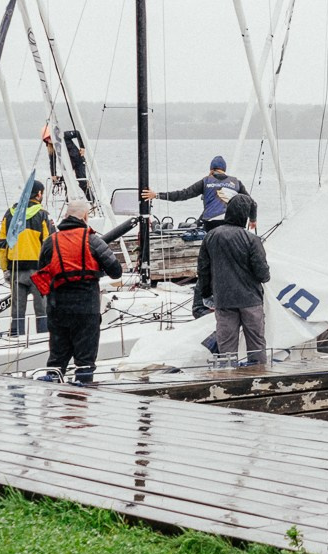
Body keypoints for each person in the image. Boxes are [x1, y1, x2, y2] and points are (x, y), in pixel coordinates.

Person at [33, 197, 123, 384]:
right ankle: (82, 391)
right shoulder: (93, 241)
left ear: (65, 217)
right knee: (85, 360)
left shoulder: (51, 242)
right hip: (86, 307)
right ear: (85, 217)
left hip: (58, 307)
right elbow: (116, 272)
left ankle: (53, 389)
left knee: (57, 356)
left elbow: (42, 268)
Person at [145, 154, 247, 317]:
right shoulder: (235, 182)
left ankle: (200, 305)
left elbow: (184, 194)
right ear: (225, 170)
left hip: (212, 227)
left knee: (208, 264)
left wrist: (157, 195)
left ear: (211, 170)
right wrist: (253, 220)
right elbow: (249, 202)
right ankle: (230, 301)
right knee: (229, 263)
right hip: (232, 226)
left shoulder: (206, 181)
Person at [201, 192, 272, 368]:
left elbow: (203, 270)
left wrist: (206, 293)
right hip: (250, 301)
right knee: (256, 347)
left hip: (224, 300)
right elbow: (263, 274)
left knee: (226, 350)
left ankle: (227, 384)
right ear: (245, 216)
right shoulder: (252, 239)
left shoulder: (211, 236)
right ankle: (259, 381)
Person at [3, 183, 52, 337]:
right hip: (39, 270)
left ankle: (16, 338)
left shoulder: (10, 214)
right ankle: (44, 339)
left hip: (15, 269)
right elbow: (49, 243)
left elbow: (1, 244)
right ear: (39, 194)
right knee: (42, 309)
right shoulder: (43, 214)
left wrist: (5, 268)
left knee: (17, 310)